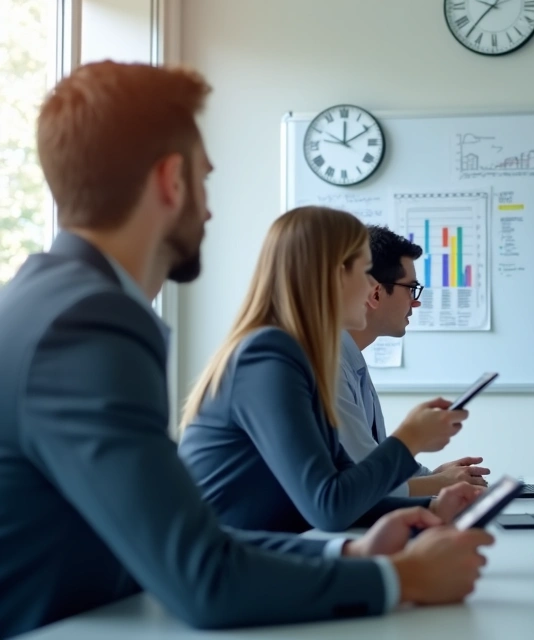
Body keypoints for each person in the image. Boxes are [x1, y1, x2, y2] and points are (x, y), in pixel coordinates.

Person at [0, 61, 492, 637]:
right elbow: (203, 577)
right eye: (204, 180)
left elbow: (181, 536)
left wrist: (350, 554)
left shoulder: (51, 304)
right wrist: (403, 579)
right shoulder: (89, 326)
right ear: (171, 181)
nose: (209, 210)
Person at [178, 208, 481, 534]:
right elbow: (330, 506)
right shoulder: (268, 356)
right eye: (365, 272)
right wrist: (410, 439)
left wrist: (431, 508)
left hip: (266, 547)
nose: (372, 288)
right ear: (334, 276)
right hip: (229, 558)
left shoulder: (300, 356)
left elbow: (344, 490)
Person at [340, 224, 491, 497]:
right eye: (411, 289)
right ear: (376, 293)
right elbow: (363, 483)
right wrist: (440, 482)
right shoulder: (332, 368)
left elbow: (373, 461)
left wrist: (433, 477)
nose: (416, 302)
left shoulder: (353, 362)